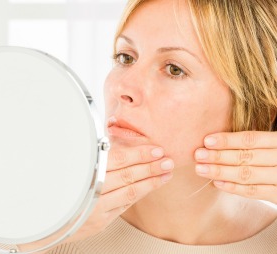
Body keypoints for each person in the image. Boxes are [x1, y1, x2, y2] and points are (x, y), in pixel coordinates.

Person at [45, 0, 277, 253]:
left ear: (257, 110)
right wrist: (34, 237)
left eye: (174, 69)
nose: (122, 87)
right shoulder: (42, 232)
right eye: (126, 57)